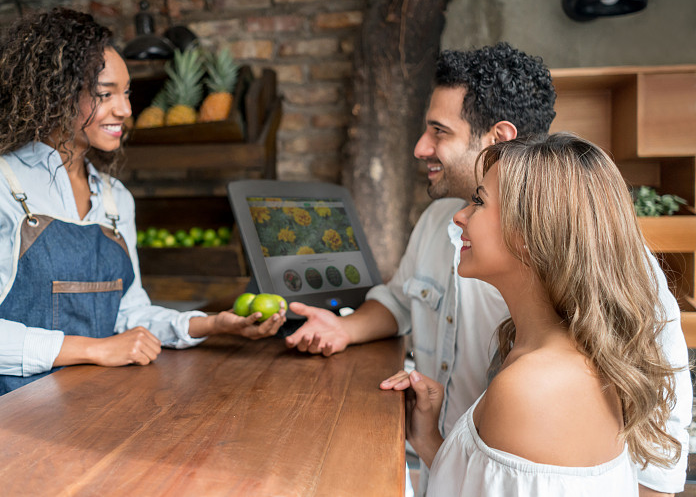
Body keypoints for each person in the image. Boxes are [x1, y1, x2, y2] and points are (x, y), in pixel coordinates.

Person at [284, 43, 691, 495]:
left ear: (498, 136)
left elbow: (659, 433)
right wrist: (346, 329)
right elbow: (400, 299)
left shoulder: (601, 265)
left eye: (439, 131)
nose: (421, 148)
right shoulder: (439, 222)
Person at [0, 7, 285, 408]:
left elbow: (130, 316)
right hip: (13, 428)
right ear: (54, 92)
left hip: (100, 413)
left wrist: (214, 325)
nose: (125, 110)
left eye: (126, 92)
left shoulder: (115, 198)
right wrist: (94, 349)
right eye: (105, 94)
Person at [381, 133, 683, 495]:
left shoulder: (530, 389)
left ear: (527, 233)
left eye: (478, 202)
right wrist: (428, 436)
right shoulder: (552, 358)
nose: (460, 216)